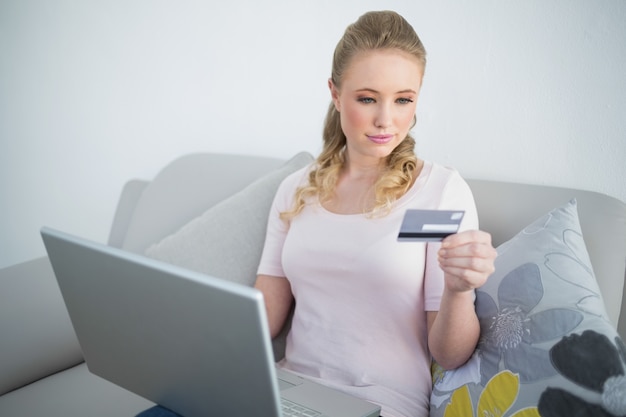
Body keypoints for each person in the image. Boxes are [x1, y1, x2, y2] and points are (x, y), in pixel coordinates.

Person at [137, 10, 496, 417]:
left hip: (380, 404)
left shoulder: (440, 192)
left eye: (403, 100)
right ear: (335, 93)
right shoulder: (295, 189)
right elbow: (265, 318)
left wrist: (459, 289)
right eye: (367, 98)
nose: (386, 120)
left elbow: (449, 355)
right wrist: (185, 327)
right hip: (284, 391)